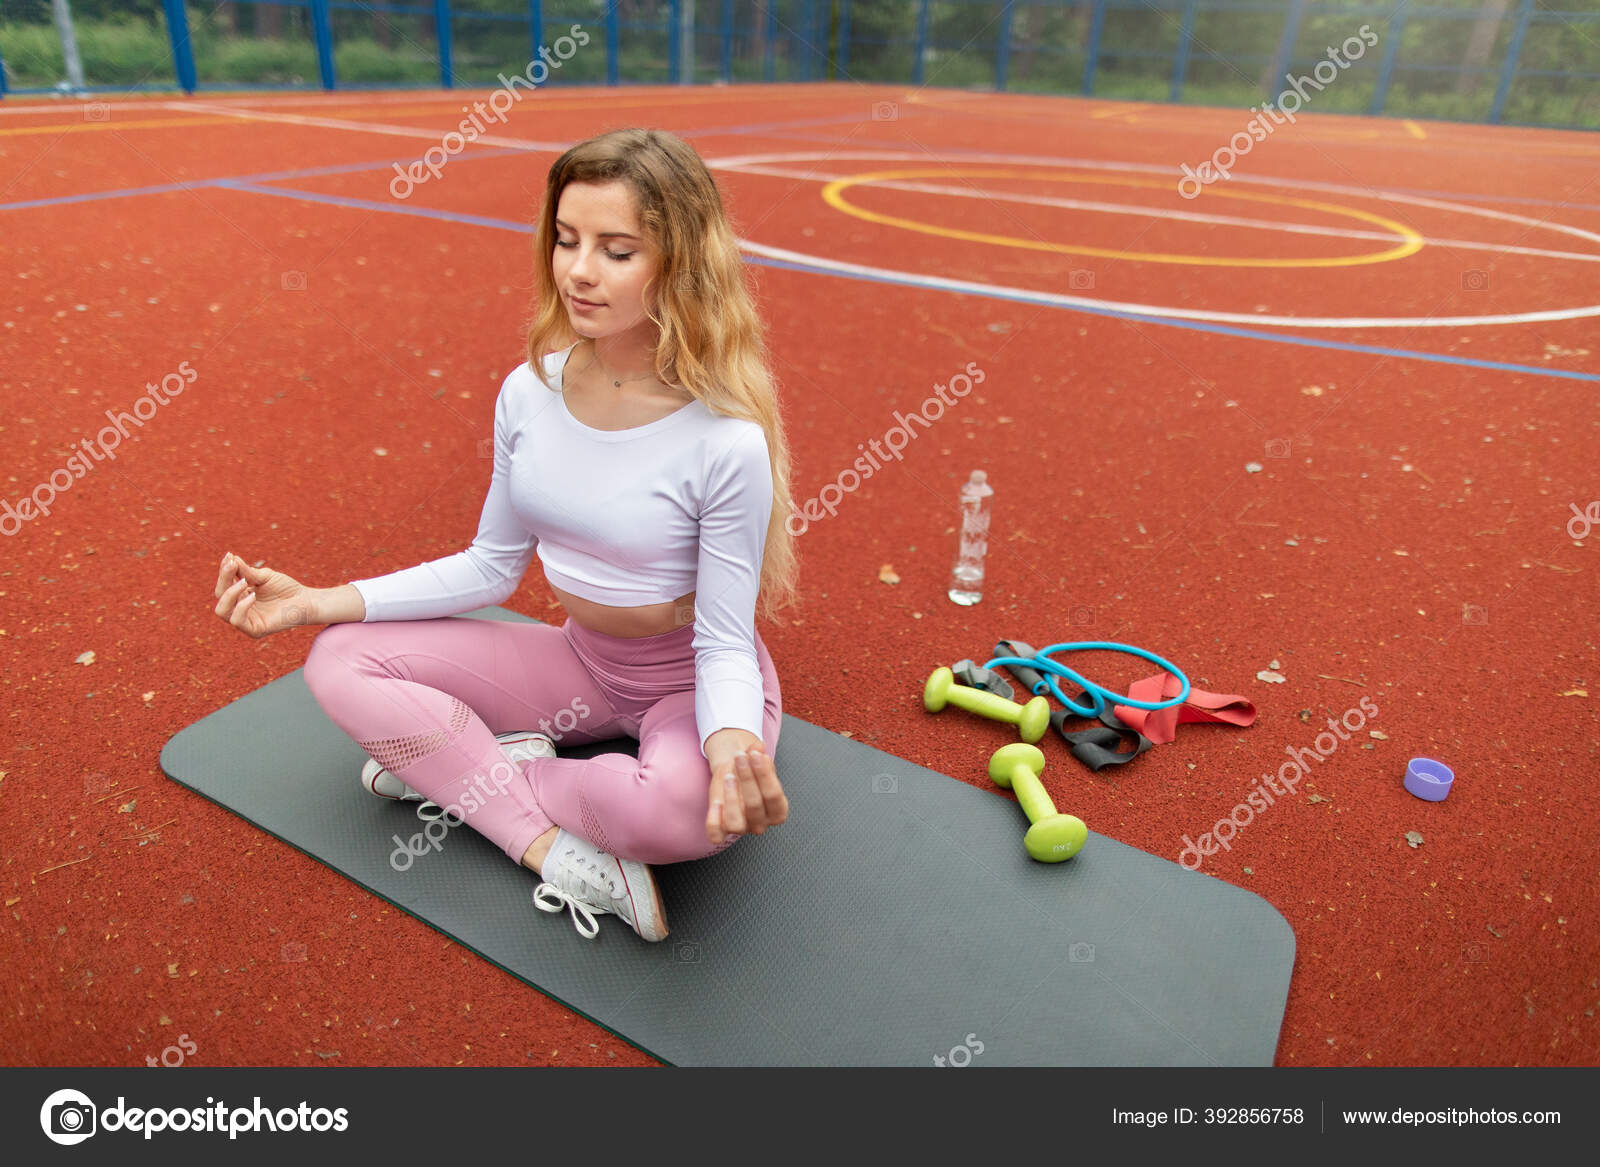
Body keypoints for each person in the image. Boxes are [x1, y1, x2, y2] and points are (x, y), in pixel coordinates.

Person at [212, 128, 798, 943]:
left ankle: (478, 767)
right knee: (338, 658)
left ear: (681, 264)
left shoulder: (723, 438)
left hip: (684, 681)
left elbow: (725, 640)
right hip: (583, 662)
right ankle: (550, 850)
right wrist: (317, 601)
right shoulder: (530, 392)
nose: (579, 270)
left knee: (687, 814)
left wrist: (732, 737)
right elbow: (491, 565)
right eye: (566, 239)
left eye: (617, 250)